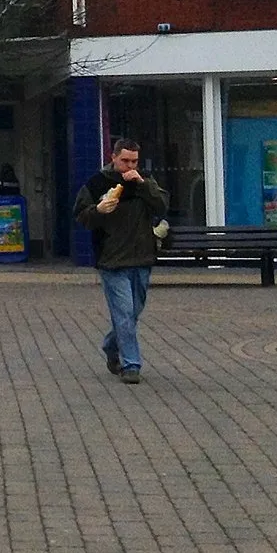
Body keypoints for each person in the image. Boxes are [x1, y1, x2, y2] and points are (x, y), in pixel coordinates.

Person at [73, 139, 167, 384]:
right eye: (125, 160)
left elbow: (162, 205)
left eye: (134, 161)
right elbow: (81, 216)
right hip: (112, 259)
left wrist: (142, 184)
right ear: (113, 157)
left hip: (142, 256)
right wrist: (98, 210)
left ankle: (110, 345)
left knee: (134, 312)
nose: (129, 166)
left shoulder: (145, 181)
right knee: (124, 312)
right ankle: (131, 365)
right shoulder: (96, 183)